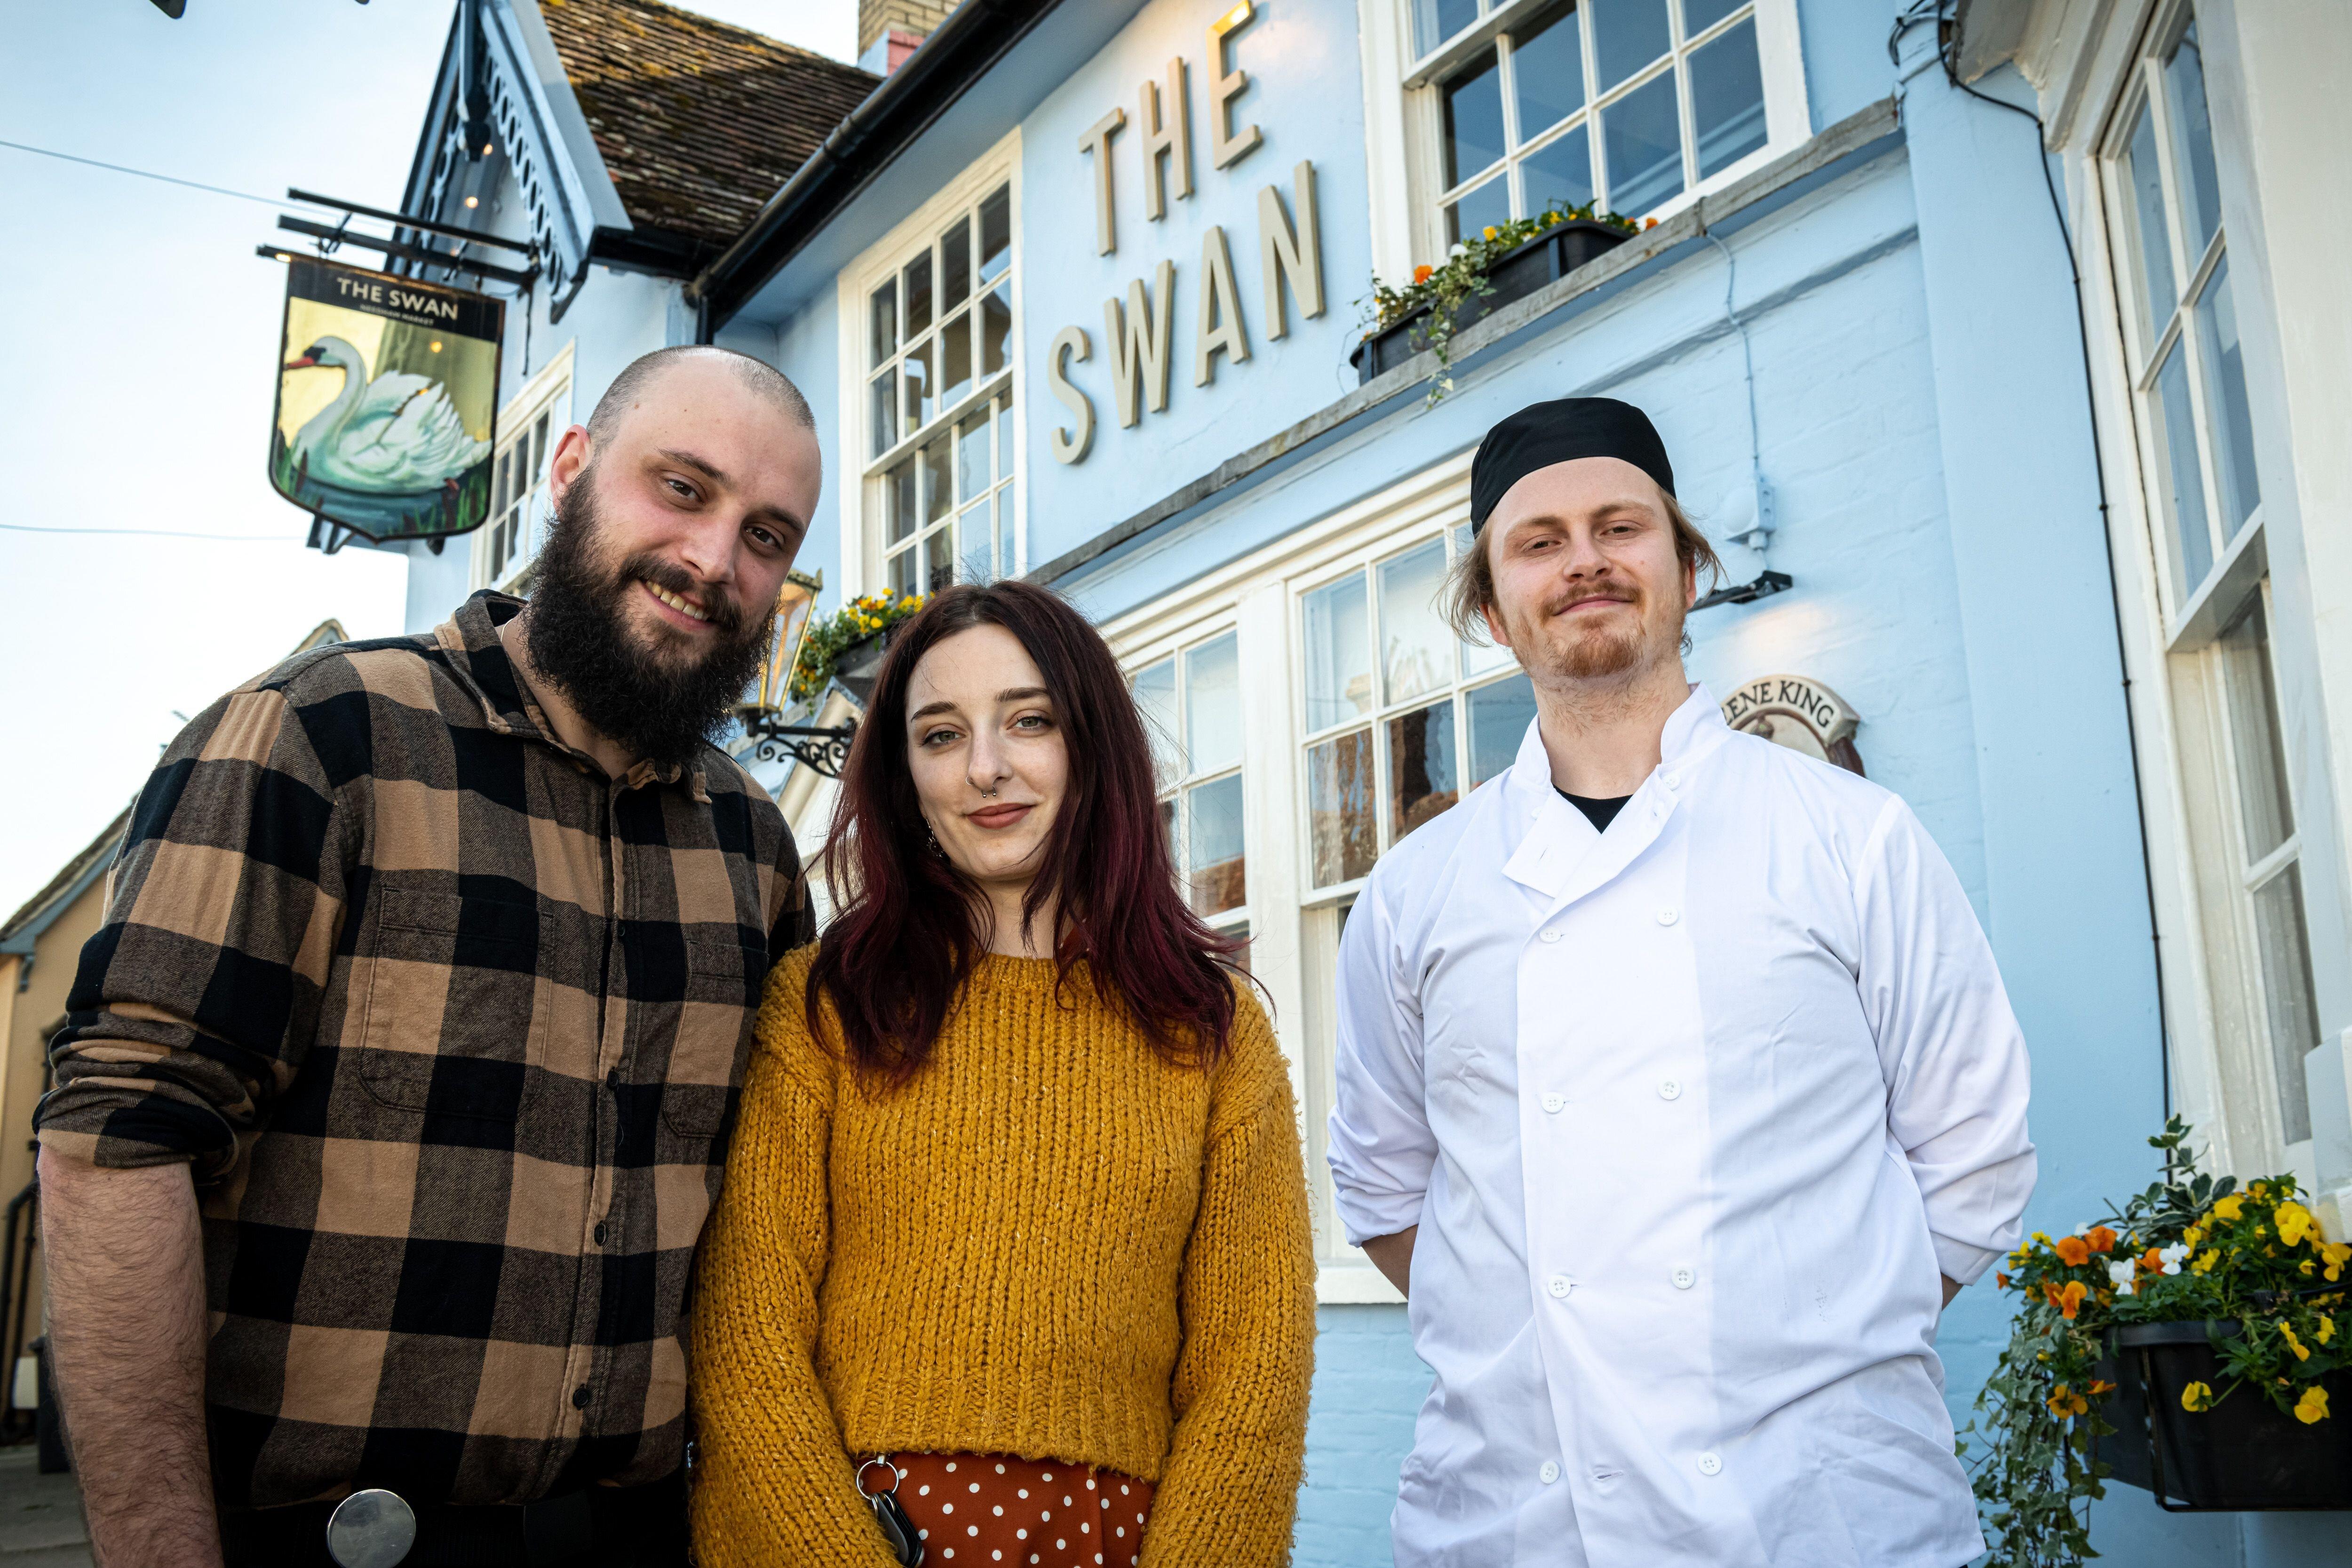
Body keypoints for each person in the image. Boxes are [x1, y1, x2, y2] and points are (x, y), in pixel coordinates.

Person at [35, 344, 823, 1568]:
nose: (716, 561)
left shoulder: (755, 851)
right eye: (681, 488)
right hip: (330, 1543)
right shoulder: (318, 737)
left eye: (767, 535)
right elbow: (116, 1146)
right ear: (570, 471)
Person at [1326, 397, 2035, 1567]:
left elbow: (1974, 1160)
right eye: (1538, 541)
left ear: (1688, 569)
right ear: (1496, 613)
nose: (1585, 561)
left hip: (1828, 1516)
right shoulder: (1416, 891)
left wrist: (1811, 1332)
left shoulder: (1852, 834)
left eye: (1621, 525)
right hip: (1517, 1518)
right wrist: (1542, 1322)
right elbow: (1385, 1187)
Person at [688, 580, 1316, 1568]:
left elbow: (1254, 1369)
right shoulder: (822, 1007)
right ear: (904, 776)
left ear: (1092, 745)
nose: (987, 767)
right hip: (859, 1530)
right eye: (940, 735)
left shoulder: (1209, 1028)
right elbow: (744, 1338)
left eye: (1029, 721)